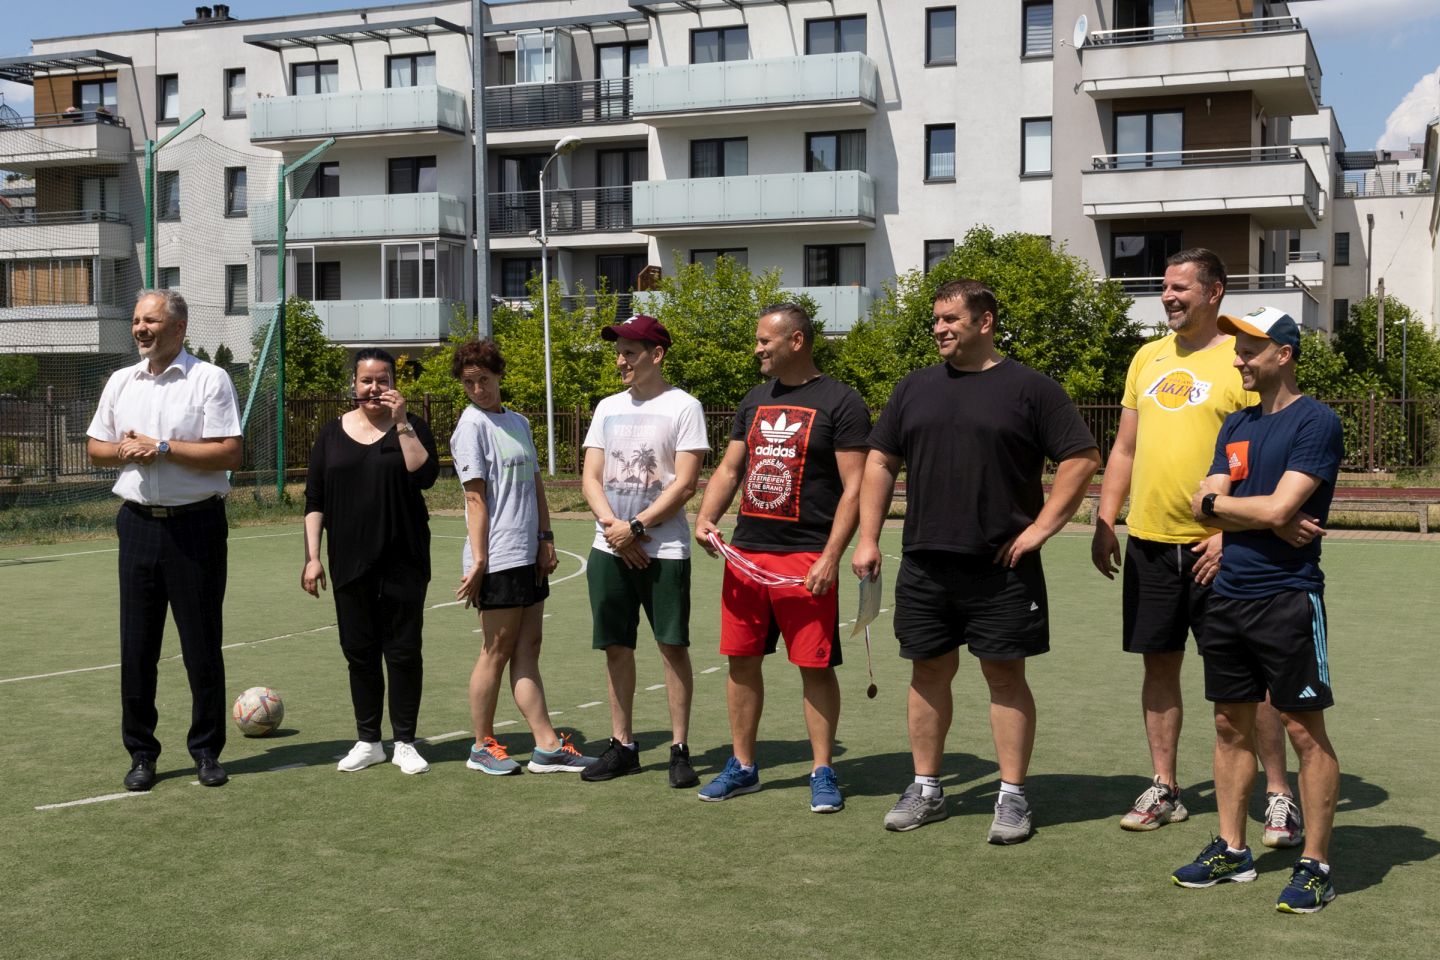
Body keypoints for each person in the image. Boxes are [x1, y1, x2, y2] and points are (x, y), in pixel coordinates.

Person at [852, 279, 1100, 842]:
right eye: (935, 320)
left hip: (1002, 567)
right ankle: (926, 788)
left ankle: (1011, 797)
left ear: (984, 322)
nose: (939, 328)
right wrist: (868, 538)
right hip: (924, 563)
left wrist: (1040, 529)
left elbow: (1082, 459)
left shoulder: (1031, 389)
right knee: (927, 673)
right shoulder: (913, 388)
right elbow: (879, 463)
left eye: (950, 319)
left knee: (1005, 677)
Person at [1092, 248, 1302, 844]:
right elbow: (1125, 449)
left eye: (1180, 287)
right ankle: (1166, 785)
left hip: (1223, 550)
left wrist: (1225, 533)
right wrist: (1107, 518)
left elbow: (1258, 455)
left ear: (1214, 293)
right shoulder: (1147, 358)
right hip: (1151, 543)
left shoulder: (1241, 360)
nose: (1168, 296)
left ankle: (1278, 793)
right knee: (1158, 664)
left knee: (1248, 678)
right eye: (1165, 287)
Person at [1170, 307, 1344, 914]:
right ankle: (1232, 848)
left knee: (1303, 730)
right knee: (1228, 724)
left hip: (1289, 597)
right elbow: (1203, 503)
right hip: (1228, 596)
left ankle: (1315, 864)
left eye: (1249, 349)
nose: (1238, 358)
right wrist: (1249, 509)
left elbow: (1273, 508)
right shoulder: (1236, 423)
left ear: (1284, 354)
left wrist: (1242, 508)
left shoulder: (1315, 421)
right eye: (1237, 348)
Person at [693, 303, 870, 812]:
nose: (757, 350)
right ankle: (743, 766)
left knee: (813, 666)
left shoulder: (842, 402)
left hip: (806, 557)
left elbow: (854, 488)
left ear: (796, 341)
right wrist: (706, 516)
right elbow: (730, 469)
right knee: (741, 662)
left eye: (764, 341)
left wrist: (831, 555)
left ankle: (822, 770)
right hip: (747, 556)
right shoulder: (753, 400)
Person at [87, 289, 243, 791]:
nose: (140, 329)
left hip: (195, 526)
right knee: (137, 648)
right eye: (136, 320)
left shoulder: (208, 379)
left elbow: (229, 453)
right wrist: (125, 452)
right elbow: (96, 447)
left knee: (201, 645)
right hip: (136, 525)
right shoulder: (119, 381)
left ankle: (206, 752)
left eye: (150, 321)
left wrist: (162, 448)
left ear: (178, 328)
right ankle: (141, 754)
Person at [451, 338, 595, 775]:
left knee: (528, 648)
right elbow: (475, 499)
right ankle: (481, 746)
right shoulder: (470, 427)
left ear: (498, 376)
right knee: (495, 651)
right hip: (496, 557)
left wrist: (546, 537)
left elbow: (534, 485)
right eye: (469, 382)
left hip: (528, 552)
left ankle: (547, 746)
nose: (478, 388)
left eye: (485, 379)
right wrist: (479, 561)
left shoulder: (518, 422)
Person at [580, 314, 709, 787]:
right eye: (619, 351)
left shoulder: (685, 407)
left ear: (657, 355)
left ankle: (678, 749)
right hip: (609, 545)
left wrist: (636, 527)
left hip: (664, 548)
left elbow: (687, 483)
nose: (621, 360)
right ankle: (623, 746)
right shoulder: (607, 407)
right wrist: (615, 529)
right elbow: (590, 477)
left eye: (630, 352)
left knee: (671, 646)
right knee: (616, 646)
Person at [301, 348, 439, 775]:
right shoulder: (331, 434)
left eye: (382, 380)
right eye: (366, 381)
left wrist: (401, 424)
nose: (374, 388)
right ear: (354, 385)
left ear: (394, 384)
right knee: (359, 653)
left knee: (402, 652)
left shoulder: (412, 427)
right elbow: (315, 500)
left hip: (404, 559)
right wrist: (312, 557)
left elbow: (425, 476)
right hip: (350, 562)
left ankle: (404, 742)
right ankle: (368, 740)